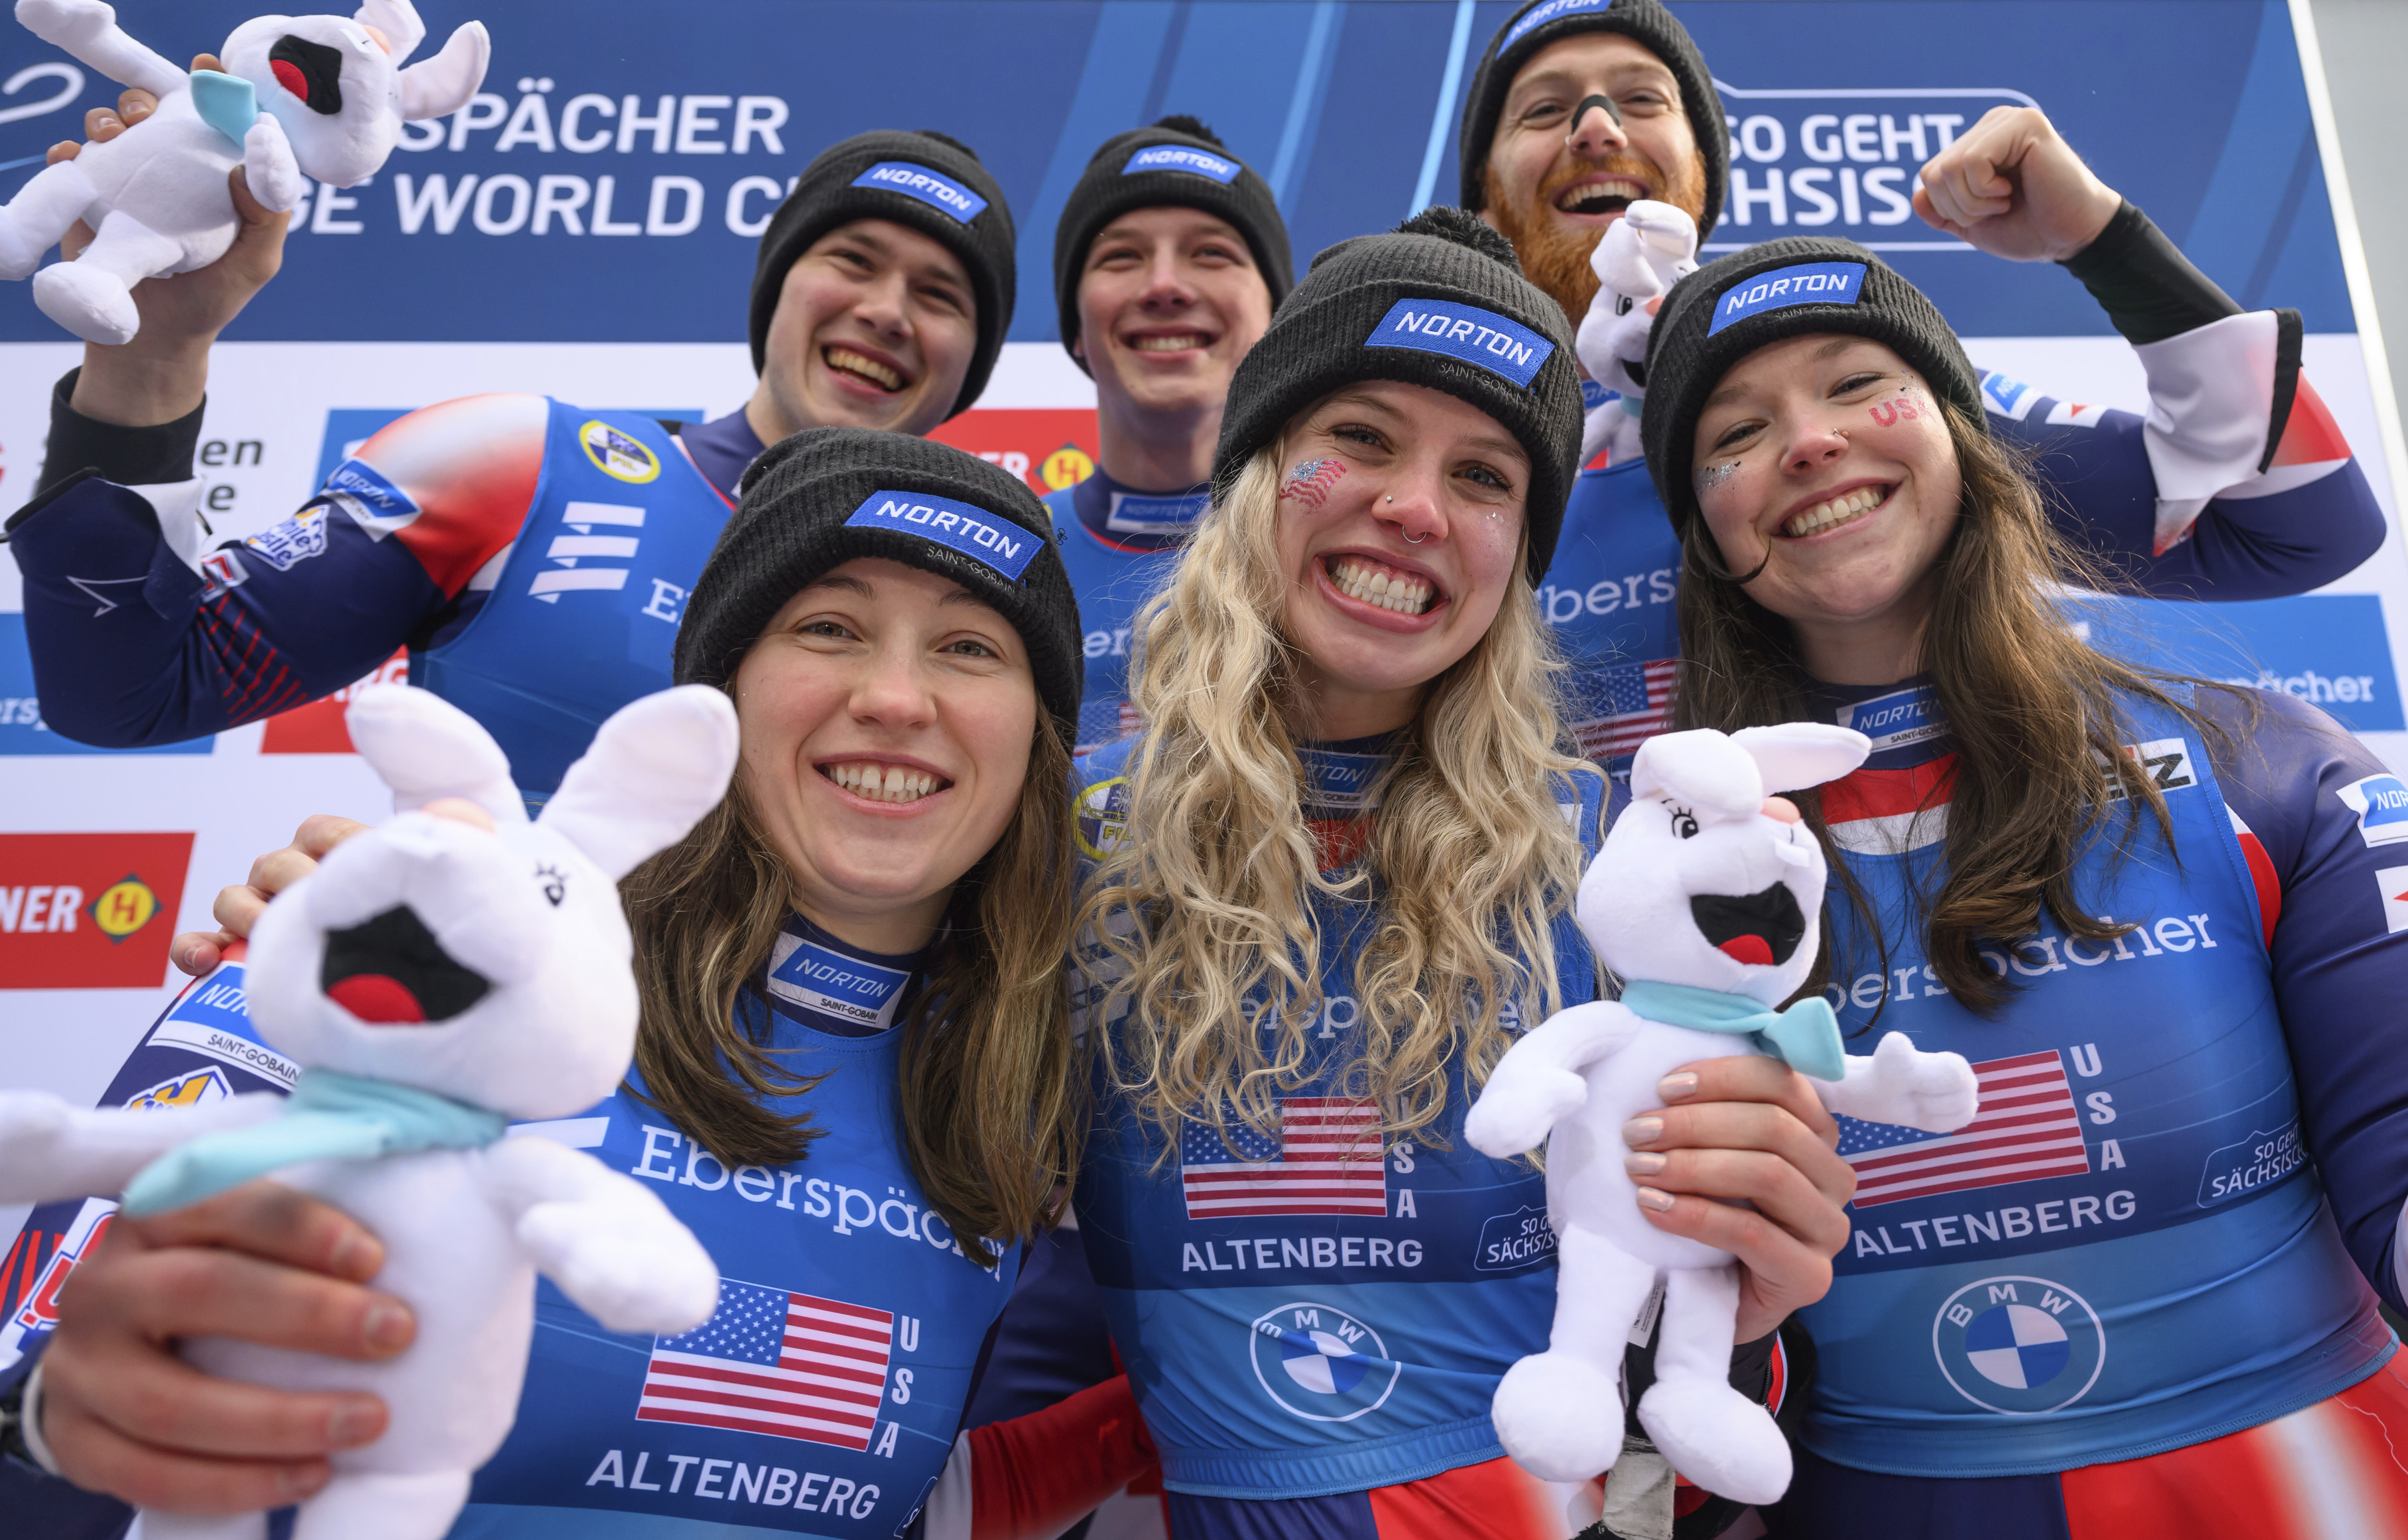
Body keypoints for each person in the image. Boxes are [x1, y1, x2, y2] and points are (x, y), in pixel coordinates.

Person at [0, 431, 1121, 1539]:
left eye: (972, 647)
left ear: (1040, 737)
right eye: (829, 626)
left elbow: (885, 1495)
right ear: (713, 694)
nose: (895, 697)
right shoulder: (419, 950)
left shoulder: (1024, 1096)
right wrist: (69, 1411)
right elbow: (42, 1435)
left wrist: (1196, 1424)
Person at [1066, 207, 1855, 1538]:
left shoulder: (1625, 862)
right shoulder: (1065, 846)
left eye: (1488, 476)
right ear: (1259, 473)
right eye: (1359, 439)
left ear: (1521, 554)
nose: (1417, 508)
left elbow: (1719, 1392)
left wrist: (1755, 1293)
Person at [1640, 236, 2408, 1538]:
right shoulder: (1659, 878)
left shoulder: (2266, 763)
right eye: (1737, 432)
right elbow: (1674, 1396)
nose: (1811, 443)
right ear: (1707, 533)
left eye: (1856, 384)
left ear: (1962, 432)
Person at [1456, 0, 2386, 769]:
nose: (1596, 128)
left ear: (1702, 173)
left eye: (1640, 98)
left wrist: (2102, 241)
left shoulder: (1861, 402)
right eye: (1544, 112)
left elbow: (2300, 524)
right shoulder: (1412, 440)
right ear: (1483, 200)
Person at [4, 114, 1018, 804]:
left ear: (973, 361)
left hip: (787, 1111)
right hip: (477, 1086)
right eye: (852, 260)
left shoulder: (991, 595)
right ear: (777, 286)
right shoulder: (524, 461)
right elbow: (126, 688)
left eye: (942, 294)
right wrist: (156, 354)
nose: (886, 312)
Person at [1042, 114, 1290, 753]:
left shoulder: (1334, 549)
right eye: (1122, 256)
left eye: (1211, 253)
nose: (1165, 287)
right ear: (1076, 327)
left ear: (1275, 315)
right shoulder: (1014, 551)